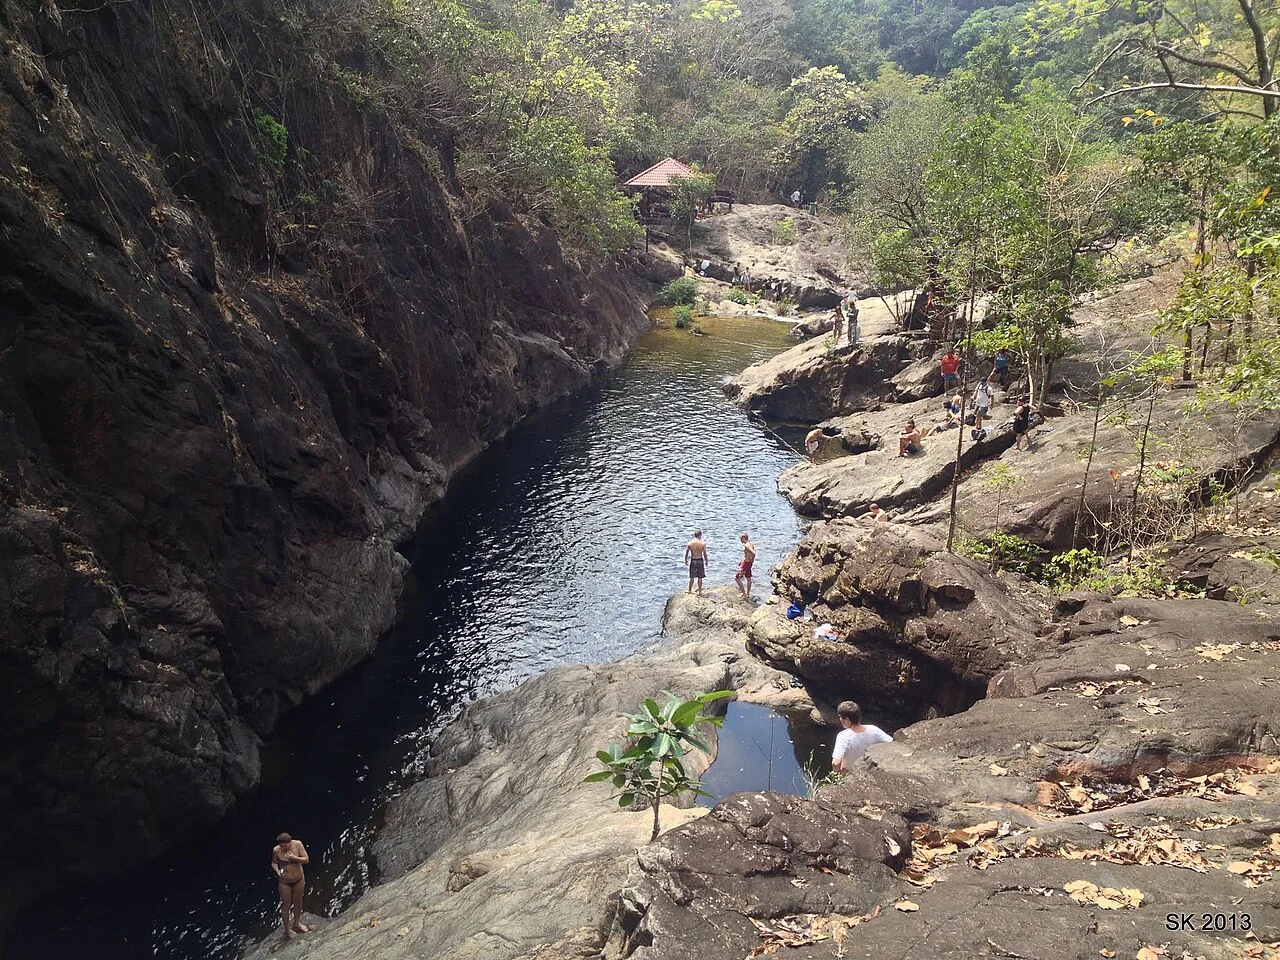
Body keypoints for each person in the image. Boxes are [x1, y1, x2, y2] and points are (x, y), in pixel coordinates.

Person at [831, 701, 893, 773]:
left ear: (847, 719)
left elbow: (835, 763)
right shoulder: (874, 729)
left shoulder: (843, 736)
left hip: (849, 773)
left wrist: (836, 775)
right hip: (870, 771)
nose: (840, 720)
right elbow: (892, 742)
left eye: (840, 717)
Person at [272, 833, 311, 940]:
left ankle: (297, 923)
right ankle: (287, 929)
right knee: (286, 905)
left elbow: (306, 859)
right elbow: (274, 863)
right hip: (284, 881)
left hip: (298, 879)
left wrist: (293, 857)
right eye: (282, 846)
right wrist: (277, 871)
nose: (284, 848)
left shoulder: (297, 844)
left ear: (290, 842)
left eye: (286, 846)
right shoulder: (276, 850)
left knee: (298, 902)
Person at [734, 533, 757, 599]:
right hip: (748, 563)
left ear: (743, 538)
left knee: (737, 578)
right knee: (748, 578)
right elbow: (749, 554)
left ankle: (743, 593)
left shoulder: (747, 545)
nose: (740, 540)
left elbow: (753, 553)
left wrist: (751, 559)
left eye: (741, 539)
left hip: (746, 564)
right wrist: (743, 561)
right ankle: (748, 594)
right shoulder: (751, 543)